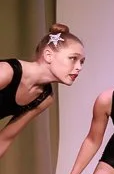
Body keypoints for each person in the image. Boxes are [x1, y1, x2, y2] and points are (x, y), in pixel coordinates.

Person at [0, 24, 86, 161]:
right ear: (48, 55)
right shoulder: (6, 72)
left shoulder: (44, 98)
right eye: (73, 59)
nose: (79, 68)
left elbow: (5, 138)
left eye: (82, 62)